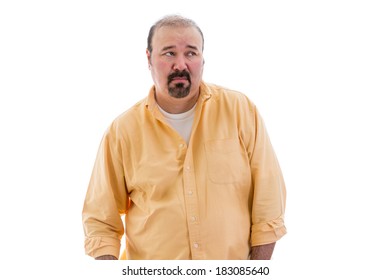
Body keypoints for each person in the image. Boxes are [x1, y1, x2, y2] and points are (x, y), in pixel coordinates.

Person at [82, 14, 287, 260]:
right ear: (148, 59)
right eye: (169, 53)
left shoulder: (240, 111)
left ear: (202, 58)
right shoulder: (122, 131)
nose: (181, 64)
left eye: (191, 53)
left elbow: (269, 203)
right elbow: (100, 222)